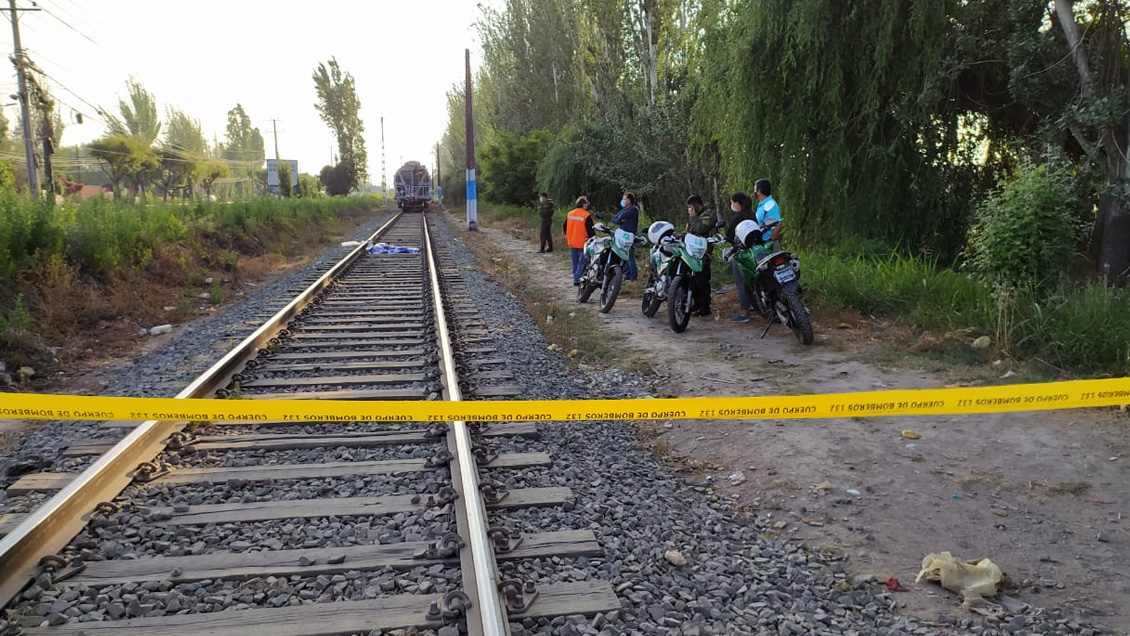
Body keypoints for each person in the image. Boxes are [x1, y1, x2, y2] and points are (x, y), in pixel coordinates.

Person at [725, 191, 758, 323]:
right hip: (754, 252)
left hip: (741, 253)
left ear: (738, 204)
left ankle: (744, 312)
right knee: (752, 282)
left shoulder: (739, 218)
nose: (732, 205)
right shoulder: (752, 215)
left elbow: (730, 235)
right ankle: (755, 305)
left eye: (732, 203)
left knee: (741, 283)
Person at [685, 194, 716, 317]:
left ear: (698, 206)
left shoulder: (708, 215)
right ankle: (696, 303)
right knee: (691, 278)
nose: (690, 211)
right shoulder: (697, 217)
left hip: (703, 253)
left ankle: (705, 306)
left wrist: (693, 217)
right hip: (692, 252)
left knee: (702, 280)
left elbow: (700, 229)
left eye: (691, 208)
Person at [563, 196, 596, 286]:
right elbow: (590, 230)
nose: (588, 205)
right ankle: (577, 279)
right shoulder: (586, 215)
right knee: (582, 262)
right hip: (583, 242)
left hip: (572, 241)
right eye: (587, 203)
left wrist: (568, 235)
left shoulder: (570, 213)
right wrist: (592, 239)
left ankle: (575, 276)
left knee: (575, 262)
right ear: (583, 204)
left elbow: (564, 226)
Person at [611, 191, 640, 280]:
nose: (623, 201)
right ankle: (627, 274)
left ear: (629, 200)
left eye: (625, 199)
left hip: (629, 236)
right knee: (623, 254)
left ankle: (633, 276)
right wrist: (620, 220)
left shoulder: (633, 209)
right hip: (621, 235)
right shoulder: (624, 209)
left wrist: (620, 219)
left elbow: (619, 217)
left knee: (629, 255)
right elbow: (614, 219)